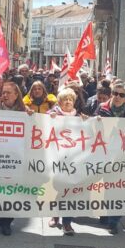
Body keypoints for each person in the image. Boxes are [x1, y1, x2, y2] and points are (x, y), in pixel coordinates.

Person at [0, 81, 32, 235]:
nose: (4, 95)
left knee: (13, 190)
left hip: (16, 159)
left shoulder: (25, 111)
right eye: (3, 92)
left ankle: (7, 221)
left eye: (8, 92)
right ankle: (0, 214)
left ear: (16, 95)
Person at [96, 83, 125, 234]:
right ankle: (105, 213)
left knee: (118, 187)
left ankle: (114, 220)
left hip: (123, 155)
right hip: (104, 152)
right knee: (106, 185)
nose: (118, 97)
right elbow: (91, 125)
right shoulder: (102, 108)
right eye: (115, 93)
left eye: (122, 95)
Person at [45, 88, 87, 235]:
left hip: (74, 160)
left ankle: (67, 223)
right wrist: (50, 118)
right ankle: (55, 215)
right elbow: (41, 124)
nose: (68, 102)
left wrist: (95, 121)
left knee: (71, 190)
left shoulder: (79, 117)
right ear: (59, 101)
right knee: (58, 189)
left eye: (71, 99)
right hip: (56, 159)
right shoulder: (52, 114)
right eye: (65, 99)